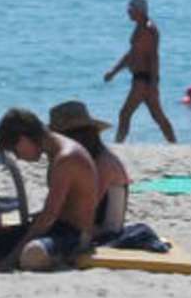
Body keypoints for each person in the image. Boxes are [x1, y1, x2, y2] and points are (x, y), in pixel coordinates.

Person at [0, 108, 99, 271]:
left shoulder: (66, 158)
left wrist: (11, 258)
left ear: (23, 139)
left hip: (75, 235)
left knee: (32, 255)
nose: (18, 157)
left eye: (15, 150)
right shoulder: (55, 151)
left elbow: (48, 217)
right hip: (56, 226)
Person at [48, 99, 130, 237]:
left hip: (104, 231)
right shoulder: (86, 159)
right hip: (85, 224)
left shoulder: (103, 163)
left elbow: (84, 209)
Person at [104, 0, 178, 143]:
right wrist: (114, 71)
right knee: (157, 116)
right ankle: (174, 144)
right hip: (142, 79)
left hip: (144, 80)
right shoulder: (140, 27)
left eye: (131, 9)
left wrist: (153, 83)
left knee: (125, 113)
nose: (128, 12)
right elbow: (132, 54)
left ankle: (118, 144)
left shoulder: (148, 29)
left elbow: (153, 57)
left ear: (140, 11)